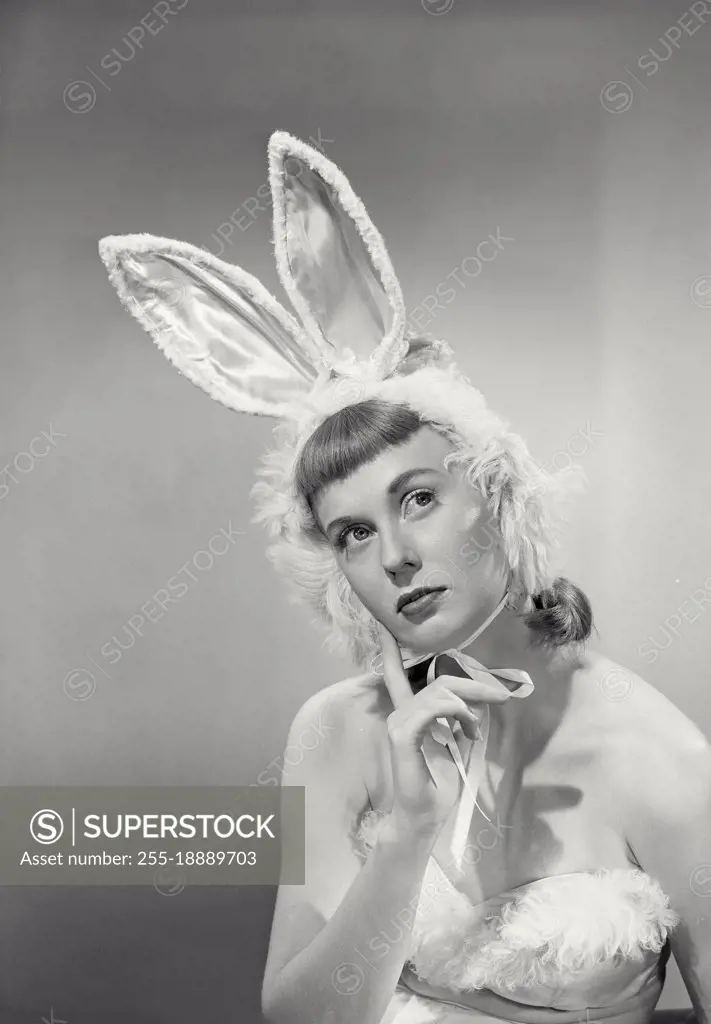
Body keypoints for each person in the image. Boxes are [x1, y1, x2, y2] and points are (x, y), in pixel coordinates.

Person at [97, 131, 711, 1024]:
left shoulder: (660, 759)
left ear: (499, 495)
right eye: (352, 532)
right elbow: (300, 1018)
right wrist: (405, 839)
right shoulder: (335, 733)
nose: (391, 554)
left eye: (418, 498)